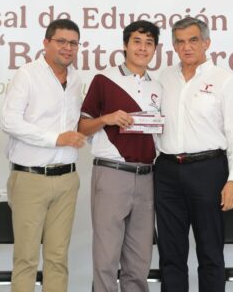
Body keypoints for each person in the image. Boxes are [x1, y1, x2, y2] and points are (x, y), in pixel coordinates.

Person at [155, 17, 233, 292]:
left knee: (210, 253)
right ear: (174, 46)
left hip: (209, 171)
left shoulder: (223, 80)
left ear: (206, 43)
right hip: (167, 172)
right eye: (180, 42)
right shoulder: (163, 78)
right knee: (170, 254)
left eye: (193, 40)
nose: (187, 47)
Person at [2, 19, 86, 292]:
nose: (68, 48)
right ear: (46, 43)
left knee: (58, 258)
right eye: (61, 41)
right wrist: (55, 139)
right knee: (26, 259)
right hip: (30, 178)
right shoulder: (27, 74)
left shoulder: (76, 79)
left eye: (73, 43)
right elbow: (10, 122)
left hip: (67, 179)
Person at [79, 20, 162, 292]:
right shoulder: (104, 80)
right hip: (112, 173)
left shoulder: (158, 87)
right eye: (137, 41)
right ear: (125, 45)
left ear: (155, 49)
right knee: (106, 258)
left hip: (147, 176)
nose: (143, 48)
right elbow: (82, 126)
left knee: (139, 261)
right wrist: (107, 118)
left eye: (149, 43)